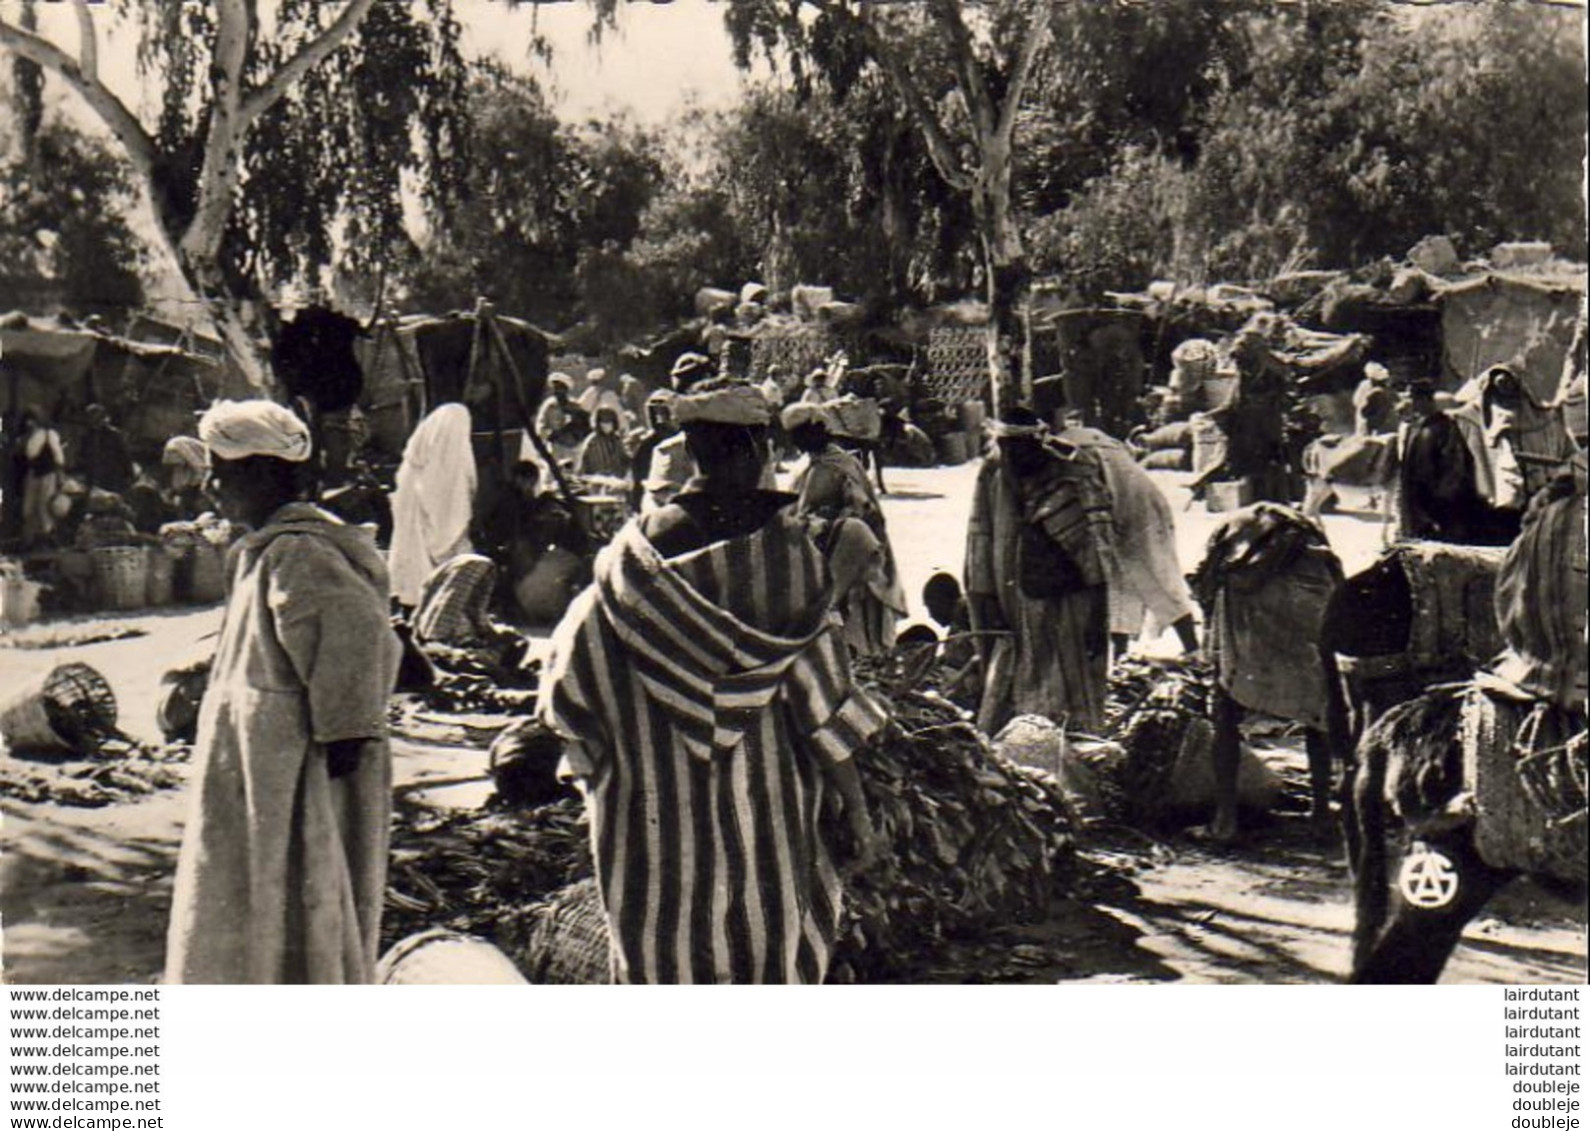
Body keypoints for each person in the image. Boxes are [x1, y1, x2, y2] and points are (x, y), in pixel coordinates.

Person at [539, 378, 884, 984]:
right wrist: (856, 811)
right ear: (757, 449)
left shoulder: (626, 571)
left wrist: (603, 784)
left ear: (689, 448)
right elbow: (825, 709)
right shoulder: (789, 568)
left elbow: (569, 700)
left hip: (649, 836)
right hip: (767, 829)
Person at [164, 399, 401, 983]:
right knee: (257, 897)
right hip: (261, 766)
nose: (212, 487)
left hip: (298, 771)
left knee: (297, 898)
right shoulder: (269, 551)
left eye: (222, 472)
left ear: (263, 472)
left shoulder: (302, 552)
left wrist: (339, 742)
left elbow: (355, 638)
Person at [1191, 502, 1345, 843]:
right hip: (1308, 620)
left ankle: (1225, 821)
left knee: (1226, 710)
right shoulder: (1310, 538)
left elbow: (1207, 583)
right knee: (1316, 712)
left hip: (1249, 623)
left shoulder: (1232, 533)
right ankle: (1321, 813)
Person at [965, 407, 1112, 736]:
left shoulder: (1072, 472)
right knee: (1020, 679)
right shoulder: (993, 472)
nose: (1012, 457)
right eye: (1005, 449)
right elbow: (980, 539)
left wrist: (1098, 617)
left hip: (1069, 599)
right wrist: (985, 600)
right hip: (1013, 597)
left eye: (1020, 449)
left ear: (1037, 444)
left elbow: (1097, 553)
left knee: (1073, 681)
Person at [784, 402, 907, 656]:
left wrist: (825, 520)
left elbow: (861, 511)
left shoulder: (842, 465)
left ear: (819, 430)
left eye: (802, 434)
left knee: (853, 622)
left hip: (850, 556)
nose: (799, 442)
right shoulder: (808, 467)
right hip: (820, 553)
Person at [1394, 378, 1520, 545]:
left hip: (1437, 506)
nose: (1411, 403)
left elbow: (1455, 468)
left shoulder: (1445, 427)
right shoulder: (1416, 428)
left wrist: (1439, 506)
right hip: (1416, 501)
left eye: (1413, 399)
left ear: (1426, 400)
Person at [389, 402, 477, 608]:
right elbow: (446, 508)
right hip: (430, 527)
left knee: (413, 566)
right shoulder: (444, 463)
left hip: (413, 521)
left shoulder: (411, 466)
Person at [18, 408, 66, 547]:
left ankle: (47, 537)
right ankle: (30, 538)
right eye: (27, 420)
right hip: (34, 473)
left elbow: (58, 455)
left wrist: (60, 473)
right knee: (29, 507)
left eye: (32, 420)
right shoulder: (27, 437)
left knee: (45, 505)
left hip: (48, 472)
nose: (29, 423)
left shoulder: (48, 434)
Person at [627, 389, 677, 510]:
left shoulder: (683, 440)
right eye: (656, 413)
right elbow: (638, 479)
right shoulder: (647, 445)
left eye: (663, 413)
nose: (660, 419)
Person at [76, 403, 136, 496]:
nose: (93, 420)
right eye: (91, 417)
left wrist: (129, 474)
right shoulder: (87, 436)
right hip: (93, 475)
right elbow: (82, 455)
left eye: (97, 417)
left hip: (112, 476)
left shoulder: (114, 435)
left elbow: (124, 455)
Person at [574, 405, 631, 480]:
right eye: (603, 421)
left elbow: (625, 460)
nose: (606, 425)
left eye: (609, 421)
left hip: (617, 481)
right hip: (597, 481)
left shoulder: (617, 440)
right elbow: (582, 465)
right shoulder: (592, 441)